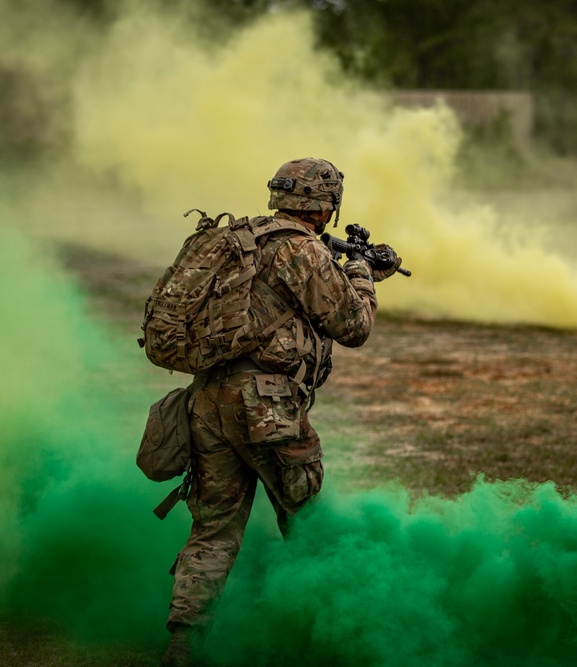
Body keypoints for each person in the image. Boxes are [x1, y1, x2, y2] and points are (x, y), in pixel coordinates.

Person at [162, 157, 401, 667]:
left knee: (213, 532)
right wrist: (362, 270)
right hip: (266, 406)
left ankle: (184, 644)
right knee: (306, 521)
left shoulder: (246, 239)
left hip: (208, 401)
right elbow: (354, 325)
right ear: (327, 205)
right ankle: (320, 637)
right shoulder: (302, 250)